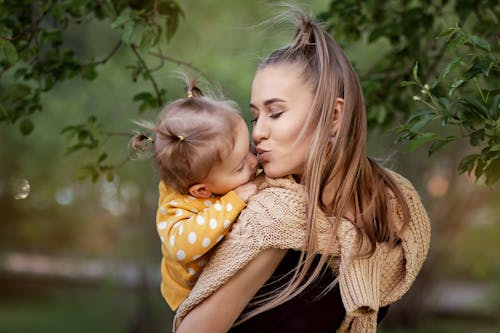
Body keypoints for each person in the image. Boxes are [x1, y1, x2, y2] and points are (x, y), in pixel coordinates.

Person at [173, 9, 431, 333]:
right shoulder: (276, 214)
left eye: (275, 113)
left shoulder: (394, 203)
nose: (257, 133)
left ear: (334, 117)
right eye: (255, 117)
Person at [132, 81, 258, 311]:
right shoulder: (175, 210)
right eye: (240, 167)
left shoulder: (216, 176)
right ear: (201, 190)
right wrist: (233, 201)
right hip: (190, 296)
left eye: (249, 147)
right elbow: (183, 247)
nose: (254, 161)